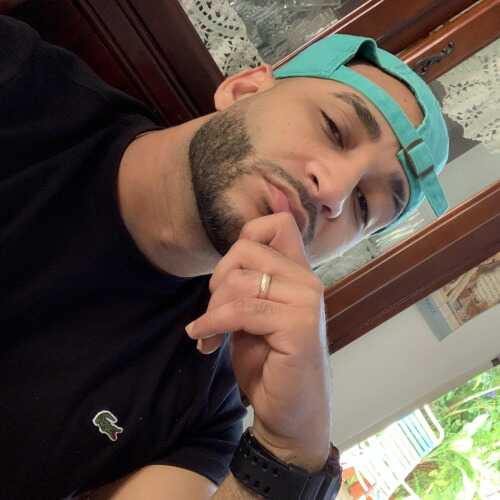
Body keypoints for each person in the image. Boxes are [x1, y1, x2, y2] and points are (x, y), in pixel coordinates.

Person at [0, 12, 449, 500]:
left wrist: (292, 450)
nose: (335, 192)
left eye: (363, 205)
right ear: (243, 89)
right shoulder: (18, 80)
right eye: (333, 128)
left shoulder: (203, 413)